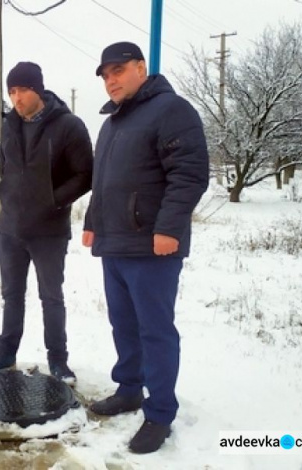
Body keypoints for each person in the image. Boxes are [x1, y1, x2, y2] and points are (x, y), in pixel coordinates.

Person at [82, 42, 209, 453]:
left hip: (153, 245)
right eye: (105, 75)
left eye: (118, 70)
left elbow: (189, 174)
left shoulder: (172, 110)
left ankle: (159, 413)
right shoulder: (113, 123)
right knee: (123, 324)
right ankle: (129, 389)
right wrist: (91, 223)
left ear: (141, 67)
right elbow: (102, 181)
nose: (110, 80)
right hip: (115, 243)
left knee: (155, 330)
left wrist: (169, 227)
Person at [0, 61, 94, 384]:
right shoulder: (10, 125)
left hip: (49, 231)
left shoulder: (69, 126)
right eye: (12, 91)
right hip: (11, 228)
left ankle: (58, 360)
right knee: (12, 295)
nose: (17, 97)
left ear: (38, 89)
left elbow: (85, 174)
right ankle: (5, 353)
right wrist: (8, 196)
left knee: (51, 296)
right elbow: (5, 166)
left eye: (23, 90)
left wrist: (53, 200)